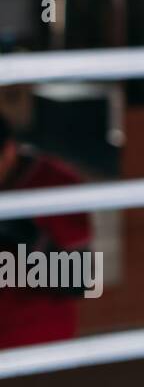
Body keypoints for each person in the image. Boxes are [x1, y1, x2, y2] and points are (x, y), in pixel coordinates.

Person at [0, 113, 93, 350]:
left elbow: (77, 282)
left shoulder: (57, 186)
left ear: (9, 151)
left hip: (35, 342)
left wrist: (27, 237)